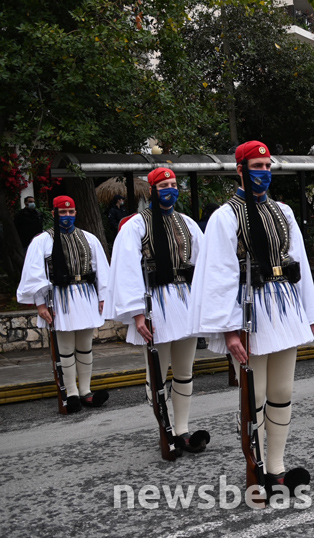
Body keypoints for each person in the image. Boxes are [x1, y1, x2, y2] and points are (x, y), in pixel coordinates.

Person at [190, 140, 314, 492]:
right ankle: (256, 467)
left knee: (282, 390)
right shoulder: (225, 216)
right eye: (256, 165)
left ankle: (276, 467)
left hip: (285, 306)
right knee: (254, 394)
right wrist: (229, 330)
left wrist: (309, 313)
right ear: (240, 170)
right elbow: (219, 274)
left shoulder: (284, 212)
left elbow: (300, 264)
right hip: (250, 311)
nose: (263, 171)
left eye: (267, 165)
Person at [105, 167, 209, 454]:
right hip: (156, 303)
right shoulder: (136, 225)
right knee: (158, 373)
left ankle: (183, 430)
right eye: (164, 184)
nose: (170, 189)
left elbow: (203, 267)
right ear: (153, 189)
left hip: (185, 301)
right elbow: (126, 271)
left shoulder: (188, 223)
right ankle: (166, 431)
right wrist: (138, 312)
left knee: (185, 371)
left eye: (174, 184)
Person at [16, 195, 110, 413]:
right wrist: (40, 304)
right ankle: (71, 392)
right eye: (62, 212)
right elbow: (35, 275)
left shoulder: (89, 238)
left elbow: (102, 270)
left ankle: (86, 391)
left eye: (70, 212)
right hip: (59, 298)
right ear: (54, 214)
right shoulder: (42, 241)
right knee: (66, 349)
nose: (67, 216)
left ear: (75, 213)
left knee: (85, 347)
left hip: (86, 295)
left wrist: (103, 297)